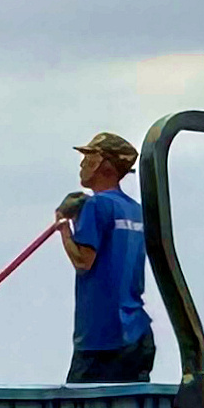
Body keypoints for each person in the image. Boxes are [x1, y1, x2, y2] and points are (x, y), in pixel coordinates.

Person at [59, 131, 154, 383]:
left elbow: (83, 261)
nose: (82, 164)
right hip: (136, 334)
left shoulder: (96, 205)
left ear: (107, 166)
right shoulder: (136, 211)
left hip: (100, 338)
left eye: (90, 158)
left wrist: (64, 228)